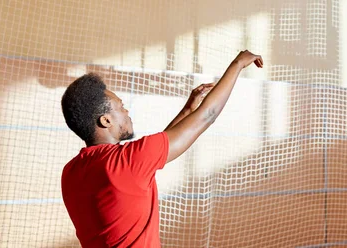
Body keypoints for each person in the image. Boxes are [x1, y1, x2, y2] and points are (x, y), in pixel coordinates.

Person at [61, 50, 263, 247]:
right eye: (121, 107)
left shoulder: (71, 172)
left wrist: (187, 110)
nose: (126, 111)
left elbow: (153, 153)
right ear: (106, 120)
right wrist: (237, 65)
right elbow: (208, 115)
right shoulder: (127, 162)